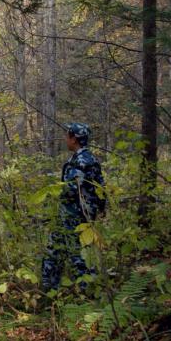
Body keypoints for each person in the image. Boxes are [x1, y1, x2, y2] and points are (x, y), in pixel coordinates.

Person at [41, 122, 106, 292]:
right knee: (55, 251)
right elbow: (101, 189)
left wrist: (51, 192)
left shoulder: (82, 161)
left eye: (68, 136)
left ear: (74, 139)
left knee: (77, 255)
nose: (66, 139)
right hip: (73, 216)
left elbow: (71, 188)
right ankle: (50, 290)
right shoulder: (85, 159)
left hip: (74, 217)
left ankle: (85, 292)